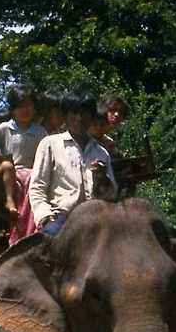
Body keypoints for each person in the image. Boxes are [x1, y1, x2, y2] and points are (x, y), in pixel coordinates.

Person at [28, 90, 119, 237]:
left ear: (91, 117)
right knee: (49, 244)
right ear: (65, 116)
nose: (79, 119)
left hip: (96, 216)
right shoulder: (50, 144)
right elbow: (37, 187)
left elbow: (112, 194)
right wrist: (44, 215)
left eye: (85, 113)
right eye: (74, 113)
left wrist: (103, 179)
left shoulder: (101, 153)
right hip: (61, 216)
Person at [0, 85, 49, 243]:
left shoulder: (40, 132)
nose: (25, 110)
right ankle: (19, 228)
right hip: (7, 173)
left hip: (31, 174)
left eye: (29, 105)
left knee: (34, 182)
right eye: (20, 106)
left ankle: (29, 228)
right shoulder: (4, 128)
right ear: (12, 109)